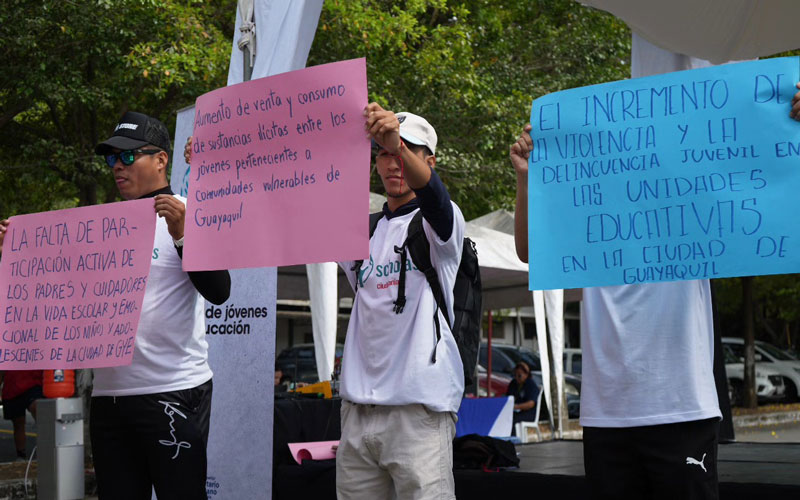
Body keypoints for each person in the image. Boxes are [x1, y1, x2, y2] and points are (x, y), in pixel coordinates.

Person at [510, 83, 800, 500]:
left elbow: (774, 197)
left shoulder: (695, 208)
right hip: (608, 414)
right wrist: (525, 178)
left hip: (682, 406)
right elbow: (529, 250)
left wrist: (789, 131)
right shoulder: (587, 217)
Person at [89, 111, 231, 500]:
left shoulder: (190, 212)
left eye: (127, 156)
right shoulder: (99, 226)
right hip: (108, 396)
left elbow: (219, 290)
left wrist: (183, 236)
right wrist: (16, 253)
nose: (117, 167)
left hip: (172, 391)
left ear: (160, 160)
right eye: (112, 158)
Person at [336, 104, 465, 500]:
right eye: (385, 153)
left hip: (418, 413)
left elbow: (435, 198)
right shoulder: (359, 232)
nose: (393, 162)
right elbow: (296, 198)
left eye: (404, 151)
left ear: (430, 162)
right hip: (357, 413)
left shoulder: (440, 223)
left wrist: (395, 143)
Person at [0, 370, 42, 461]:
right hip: (12, 386)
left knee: (38, 409)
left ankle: (44, 450)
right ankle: (21, 455)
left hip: (33, 383)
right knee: (18, 423)